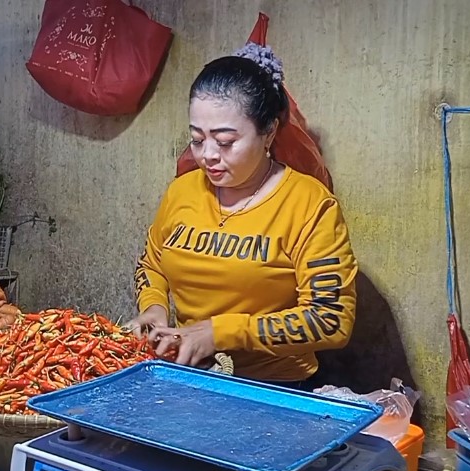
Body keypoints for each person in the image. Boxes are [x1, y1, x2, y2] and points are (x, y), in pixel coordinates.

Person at [128, 44, 358, 388]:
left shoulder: (309, 205)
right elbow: (153, 264)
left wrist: (221, 333)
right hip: (190, 374)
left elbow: (331, 319)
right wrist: (154, 308)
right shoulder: (182, 191)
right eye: (197, 139)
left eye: (225, 142)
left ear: (268, 133)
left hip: (273, 387)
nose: (208, 155)